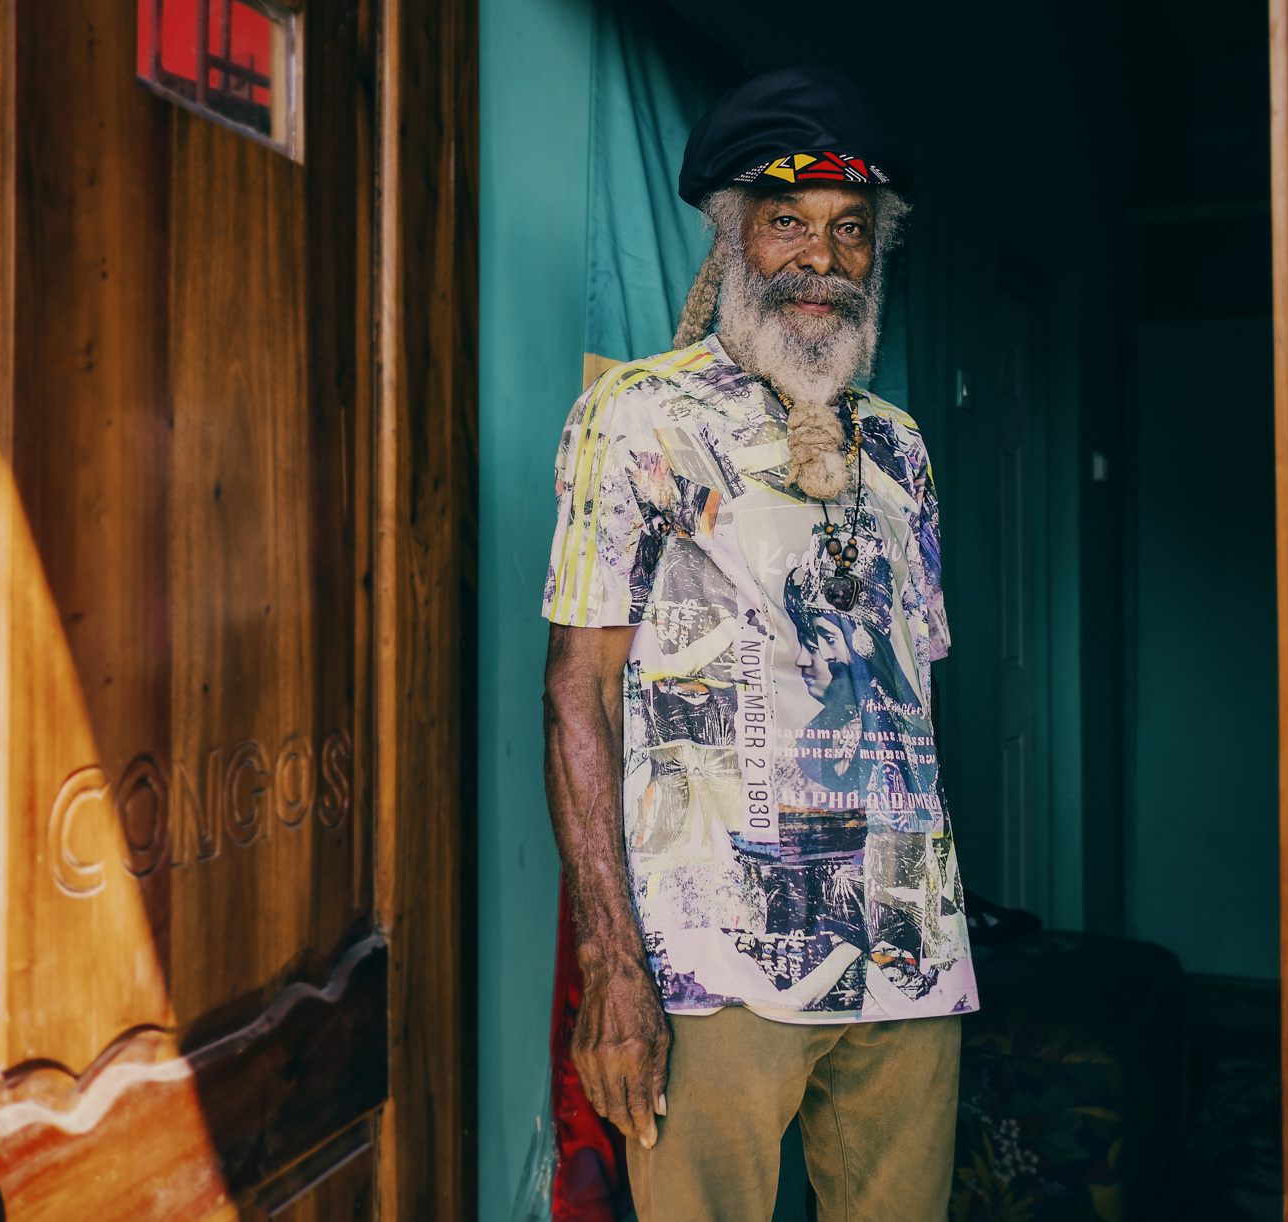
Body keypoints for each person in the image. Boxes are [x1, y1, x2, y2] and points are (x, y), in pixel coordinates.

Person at [541, 64, 976, 1222]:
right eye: (788, 221)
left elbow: (914, 706)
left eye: (851, 231)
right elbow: (578, 689)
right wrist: (613, 964)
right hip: (711, 968)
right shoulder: (638, 417)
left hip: (909, 960)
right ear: (733, 237)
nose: (821, 259)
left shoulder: (905, 452)